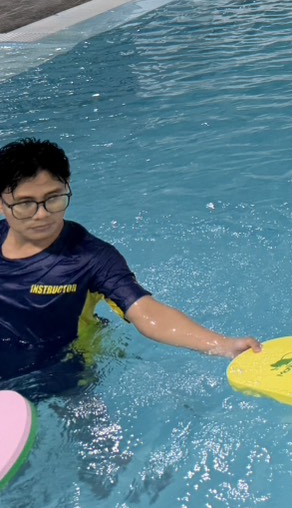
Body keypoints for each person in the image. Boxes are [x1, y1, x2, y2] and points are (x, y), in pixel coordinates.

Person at [0, 138, 260, 385]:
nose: (42, 214)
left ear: (68, 187)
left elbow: (146, 312)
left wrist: (222, 345)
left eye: (54, 198)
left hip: (66, 372)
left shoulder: (91, 258)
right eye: (25, 204)